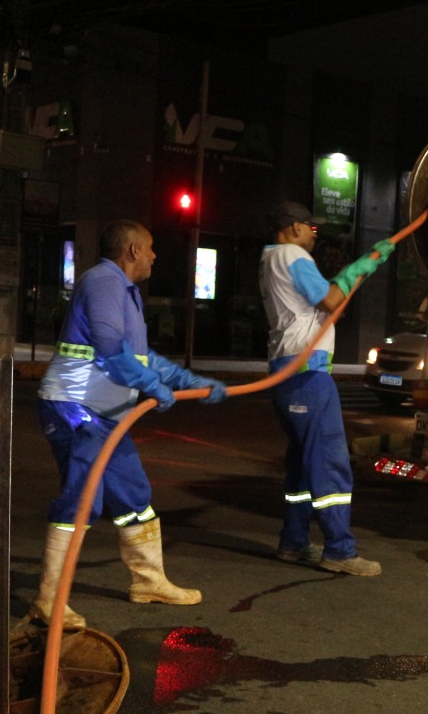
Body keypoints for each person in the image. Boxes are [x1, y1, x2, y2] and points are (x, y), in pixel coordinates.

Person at [30, 220, 228, 628]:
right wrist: (153, 387)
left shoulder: (124, 291)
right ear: (133, 250)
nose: (154, 256)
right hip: (77, 409)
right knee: (83, 499)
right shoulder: (104, 281)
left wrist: (189, 382)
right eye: (150, 247)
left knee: (134, 494)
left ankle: (149, 582)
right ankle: (49, 601)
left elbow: (141, 358)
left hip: (106, 416)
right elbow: (109, 351)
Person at [260, 201, 394, 576]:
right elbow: (331, 299)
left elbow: (327, 307)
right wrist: (362, 265)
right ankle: (339, 549)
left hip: (289, 372)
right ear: (293, 227)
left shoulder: (270, 258)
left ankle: (293, 542)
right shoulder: (291, 255)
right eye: (311, 227)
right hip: (306, 376)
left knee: (302, 465)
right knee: (329, 461)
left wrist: (358, 272)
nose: (314, 234)